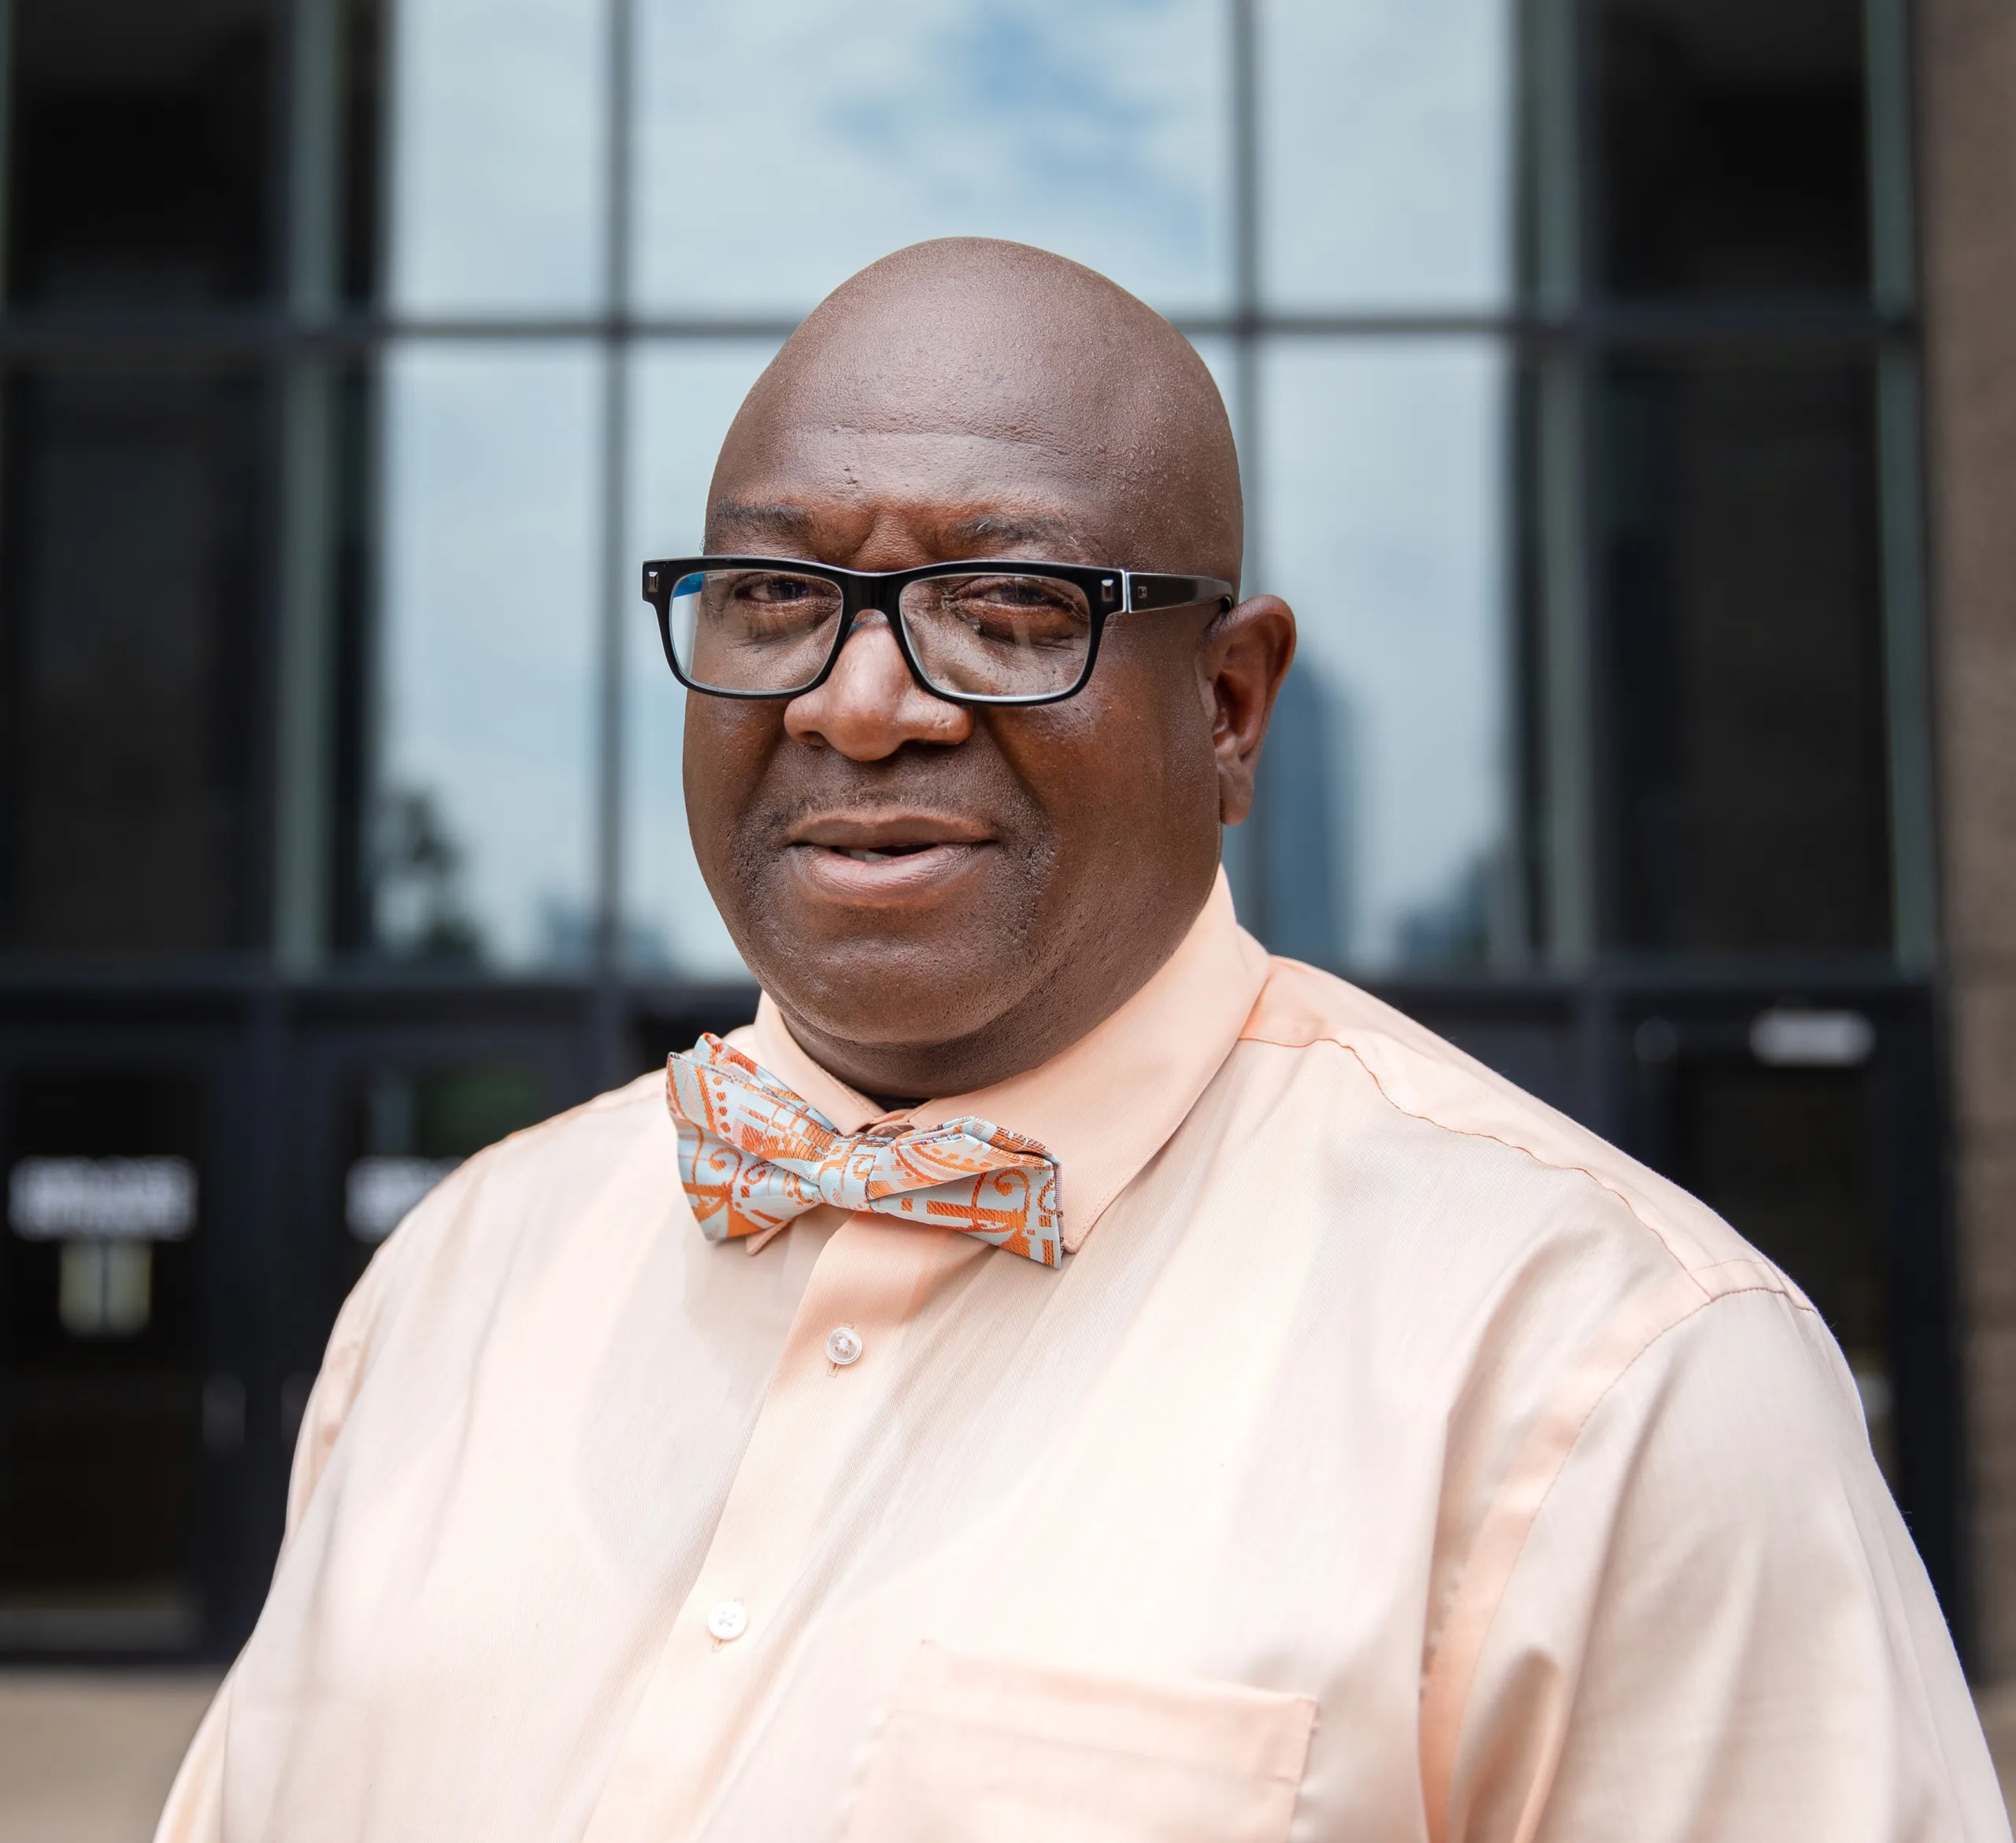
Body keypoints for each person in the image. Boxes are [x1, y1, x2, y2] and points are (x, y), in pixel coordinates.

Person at [157, 239, 2006, 1843]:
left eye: (1004, 609)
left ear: (1226, 704)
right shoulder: (456, 1282)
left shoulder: (1607, 1380)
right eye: (778, 598)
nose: (859, 704)